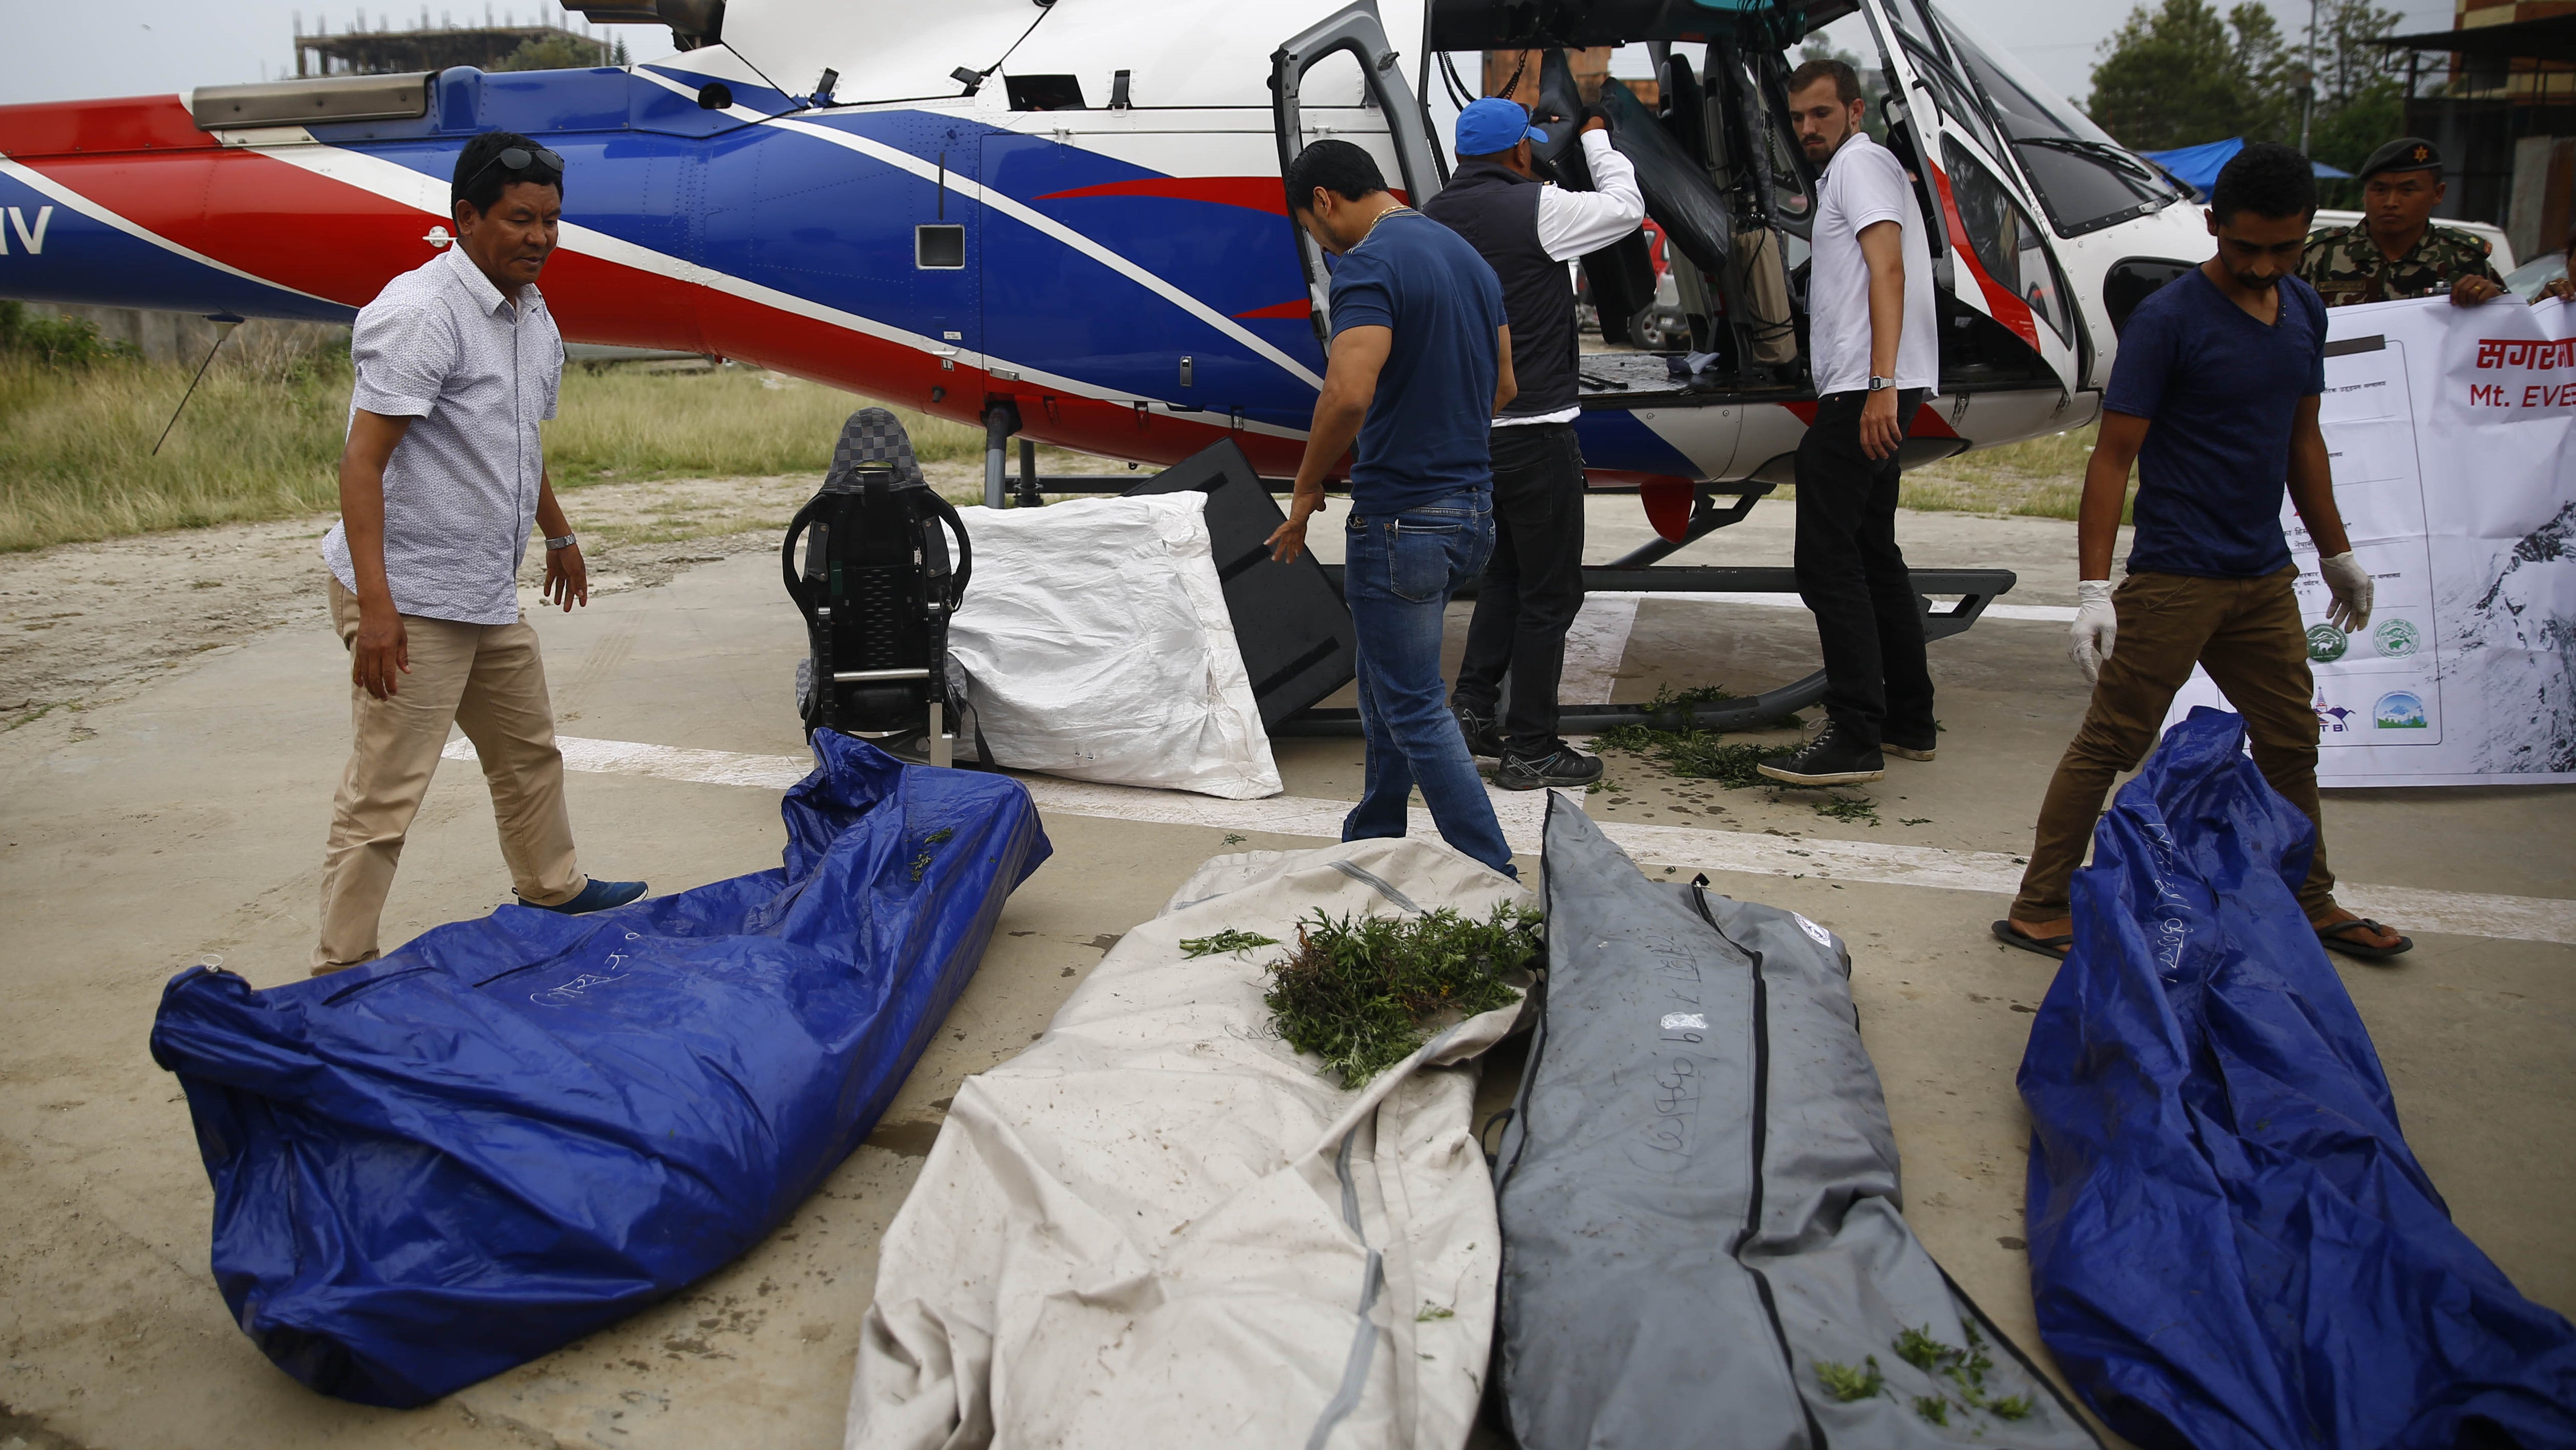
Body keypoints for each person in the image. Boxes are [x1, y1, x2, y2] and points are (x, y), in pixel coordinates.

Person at [1996, 143, 2410, 964]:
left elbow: (2302, 440)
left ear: (2304, 236)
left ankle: (2309, 895)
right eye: (2244, 246)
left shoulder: (2303, 310)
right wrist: (2092, 589)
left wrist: (2336, 553)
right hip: (2177, 575)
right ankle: (2039, 904)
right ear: (2213, 226)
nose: (2261, 265)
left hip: (2262, 577)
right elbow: (2112, 456)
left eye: (2282, 248)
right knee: (2111, 742)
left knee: (2292, 739)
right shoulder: (2169, 322)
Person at [313, 130, 645, 974]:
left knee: (528, 749)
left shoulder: (534, 317)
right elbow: (363, 461)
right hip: (411, 593)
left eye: (552, 221)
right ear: (466, 218)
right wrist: (378, 609)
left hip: (482, 589)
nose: (539, 237)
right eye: (519, 219)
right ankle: (341, 968)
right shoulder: (420, 312)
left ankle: (553, 884)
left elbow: (513, 443)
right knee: (386, 791)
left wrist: (558, 532)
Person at [1265, 139, 1520, 879]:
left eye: (1313, 232)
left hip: (1403, 515)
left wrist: (1307, 487)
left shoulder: (1368, 263)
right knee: (1384, 676)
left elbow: (1348, 391)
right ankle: (1373, 828)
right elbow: (1505, 387)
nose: (1321, 244)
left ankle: (1493, 870)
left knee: (1412, 704)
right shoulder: (1466, 258)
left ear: (1324, 202)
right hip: (1472, 509)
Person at [1423, 97, 1644, 791]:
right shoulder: (1539, 208)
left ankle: (1472, 712)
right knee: (1552, 592)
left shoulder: (1432, 218)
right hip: (1537, 435)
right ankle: (1532, 746)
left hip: (1468, 440)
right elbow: (1626, 206)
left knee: (1508, 579)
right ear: (1521, 152)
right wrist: (1600, 141)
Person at [1760, 57, 1939, 787]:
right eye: (1799, 118)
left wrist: (1879, 387)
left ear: (1855, 112)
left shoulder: (1862, 165)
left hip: (1867, 388)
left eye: (1822, 115)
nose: (1808, 128)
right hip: (1871, 384)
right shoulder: (1853, 170)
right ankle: (1907, 719)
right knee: (1872, 554)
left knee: (1826, 560)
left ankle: (1854, 732)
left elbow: (1886, 269)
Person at [2299, 137, 2508, 308]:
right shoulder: (2319, 255)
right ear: (2365, 195)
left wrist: (2495, 302)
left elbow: (2511, 327)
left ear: (2438, 193)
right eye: (2380, 190)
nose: (2391, 203)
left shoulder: (2464, 259)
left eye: (2408, 191)